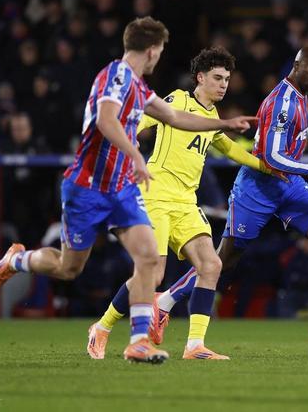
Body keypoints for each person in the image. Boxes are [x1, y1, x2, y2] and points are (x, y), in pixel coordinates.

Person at [0, 17, 256, 364]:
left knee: (154, 262)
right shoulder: (115, 76)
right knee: (69, 267)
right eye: (160, 50)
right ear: (151, 50)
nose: (160, 57)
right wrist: (135, 154)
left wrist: (224, 124)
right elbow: (106, 120)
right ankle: (18, 260)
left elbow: (176, 118)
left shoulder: (141, 89)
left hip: (124, 189)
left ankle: (145, 341)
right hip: (88, 186)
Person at [147, 46, 308, 356]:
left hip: (287, 183)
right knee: (223, 261)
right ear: (296, 66)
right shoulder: (282, 102)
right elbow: (272, 157)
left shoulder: (301, 97)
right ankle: (165, 301)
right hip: (257, 187)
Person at [87, 46, 283, 360]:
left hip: (186, 202)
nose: (223, 84)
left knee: (211, 265)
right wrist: (128, 140)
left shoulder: (213, 117)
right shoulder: (178, 100)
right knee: (152, 275)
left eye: (227, 79)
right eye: (217, 78)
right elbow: (143, 120)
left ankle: (195, 346)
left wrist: (266, 166)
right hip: (156, 195)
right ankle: (102, 327)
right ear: (200, 78)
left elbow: (229, 149)